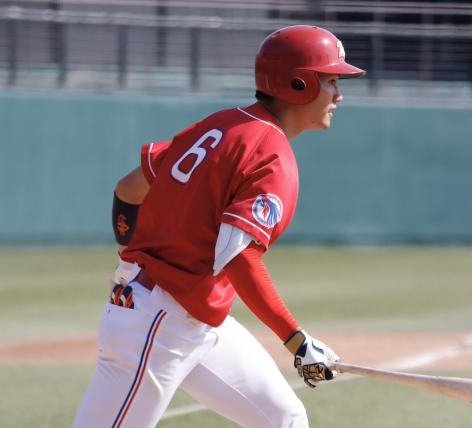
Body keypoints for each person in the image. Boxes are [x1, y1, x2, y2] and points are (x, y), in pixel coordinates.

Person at [73, 25, 366, 428]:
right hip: (158, 323)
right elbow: (239, 256)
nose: (338, 94)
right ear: (299, 84)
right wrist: (295, 340)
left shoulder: (222, 125)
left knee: (285, 419)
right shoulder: (271, 156)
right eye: (330, 80)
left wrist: (132, 262)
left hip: (189, 317)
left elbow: (129, 188)